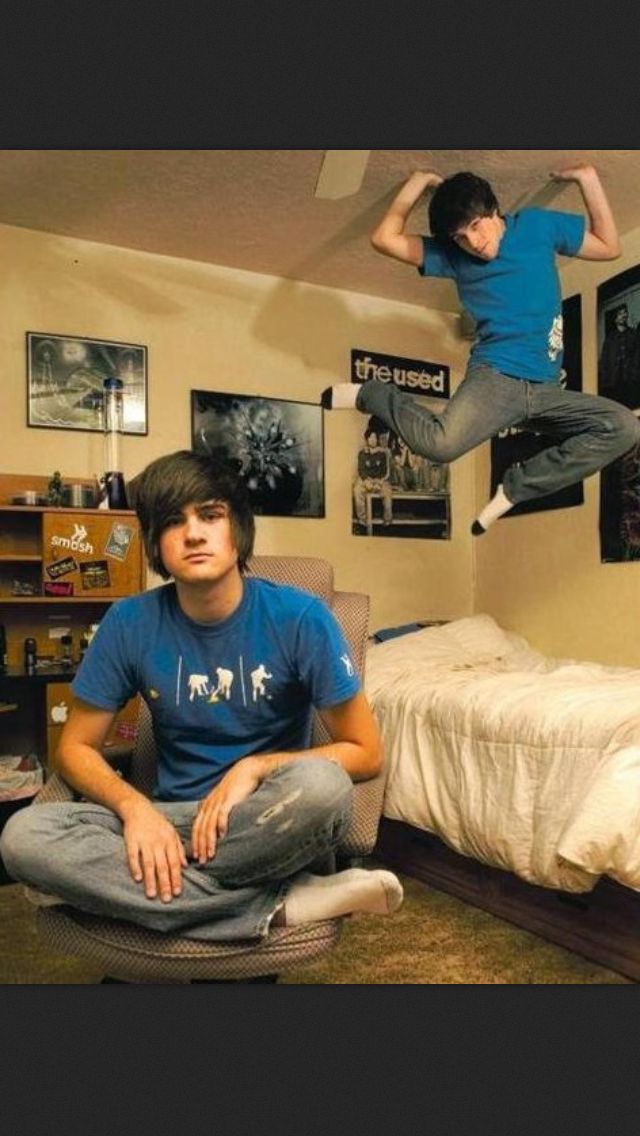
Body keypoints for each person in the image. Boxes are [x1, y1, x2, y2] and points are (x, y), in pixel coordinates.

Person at [0, 450, 402, 941]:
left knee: (326, 788)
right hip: (170, 822)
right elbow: (74, 748)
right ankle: (282, 905)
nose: (193, 533)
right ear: (154, 542)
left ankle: (117, 892)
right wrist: (136, 810)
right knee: (22, 837)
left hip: (268, 821)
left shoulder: (301, 617)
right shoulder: (129, 623)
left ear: (239, 528)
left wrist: (253, 769)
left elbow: (367, 753)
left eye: (211, 515)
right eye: (173, 521)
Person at [321, 164, 640, 533]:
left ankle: (516, 487)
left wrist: (589, 180)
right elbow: (384, 239)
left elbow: (609, 246)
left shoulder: (536, 227)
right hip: (496, 380)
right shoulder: (454, 257)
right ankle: (372, 394)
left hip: (547, 390)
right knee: (440, 446)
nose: (473, 243)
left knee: (622, 427)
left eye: (475, 227)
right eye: (460, 237)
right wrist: (418, 181)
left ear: (493, 211)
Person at [352, 426, 393, 531]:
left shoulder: (382, 453)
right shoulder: (362, 453)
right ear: (367, 439)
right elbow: (361, 470)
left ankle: (387, 521)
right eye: (371, 438)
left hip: (379, 480)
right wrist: (366, 481)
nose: (373, 440)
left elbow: (384, 471)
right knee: (357, 490)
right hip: (366, 480)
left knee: (387, 491)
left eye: (375, 438)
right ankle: (363, 520)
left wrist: (379, 482)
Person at [598, 303, 638, 408]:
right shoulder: (610, 339)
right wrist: (605, 381)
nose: (623, 315)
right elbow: (604, 361)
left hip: (631, 380)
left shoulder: (634, 334)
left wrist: (635, 373)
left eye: (625, 312)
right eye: (620, 313)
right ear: (615, 318)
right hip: (614, 382)